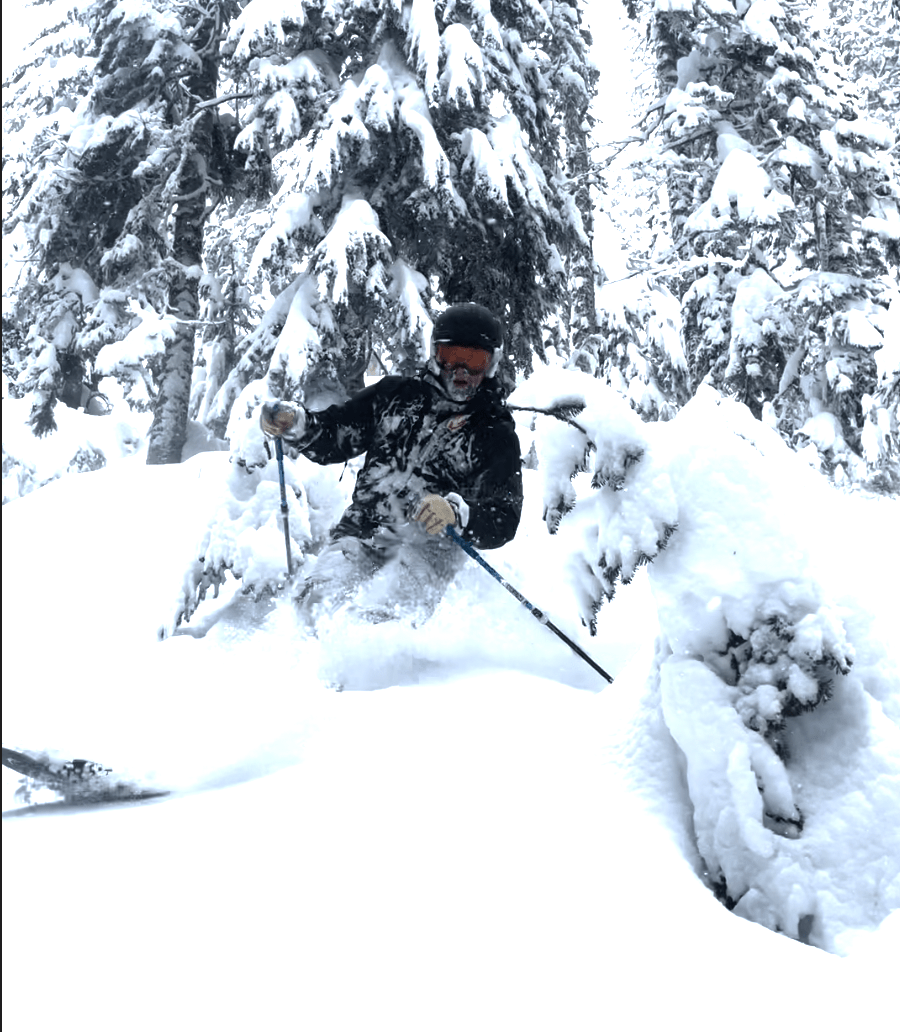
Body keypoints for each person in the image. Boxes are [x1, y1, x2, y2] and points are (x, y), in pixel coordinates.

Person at [260, 302, 523, 628]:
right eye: (451, 357)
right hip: (361, 531)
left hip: (430, 547)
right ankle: (300, 675)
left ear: (493, 365)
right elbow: (337, 434)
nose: (461, 373)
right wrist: (297, 424)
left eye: (475, 362)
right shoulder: (394, 396)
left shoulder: (493, 432)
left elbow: (504, 516)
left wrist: (457, 513)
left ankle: (381, 675)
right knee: (314, 607)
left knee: (381, 621)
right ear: (434, 353)